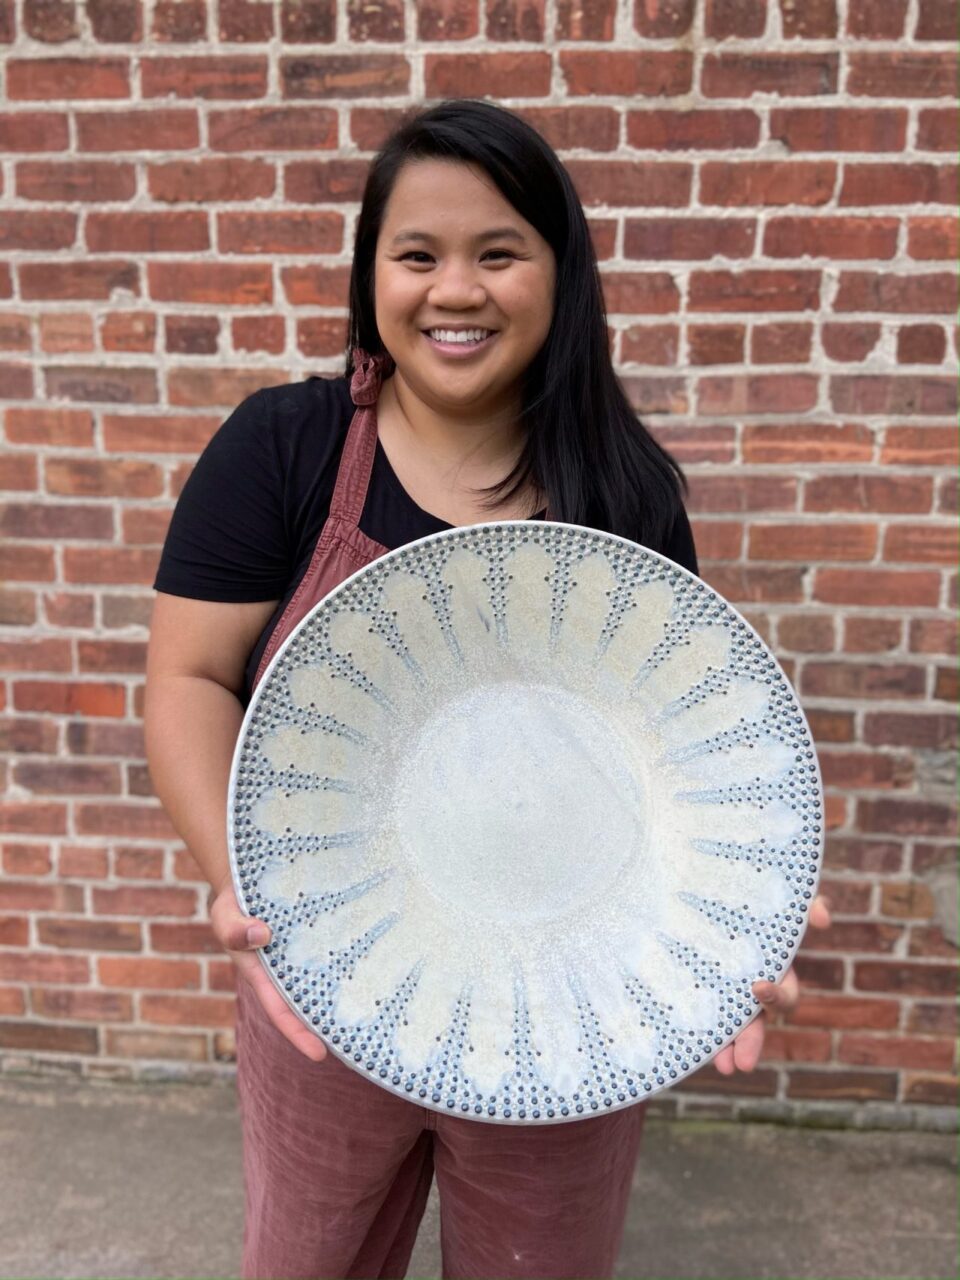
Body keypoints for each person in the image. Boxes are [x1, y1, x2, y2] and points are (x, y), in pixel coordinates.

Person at [145, 99, 829, 1280]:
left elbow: (692, 737)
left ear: (561, 276)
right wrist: (237, 886)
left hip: (565, 1019)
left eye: (499, 253)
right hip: (328, 977)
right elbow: (189, 677)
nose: (454, 289)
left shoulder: (625, 492)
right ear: (372, 278)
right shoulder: (284, 447)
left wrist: (722, 922)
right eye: (417, 255)